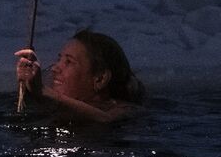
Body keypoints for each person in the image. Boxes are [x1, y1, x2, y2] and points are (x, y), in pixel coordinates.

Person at [14, 29, 144, 123]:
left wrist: (42, 91)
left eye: (69, 62)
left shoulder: (125, 109)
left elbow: (105, 119)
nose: (55, 68)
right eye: (60, 59)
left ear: (100, 78)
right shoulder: (54, 108)